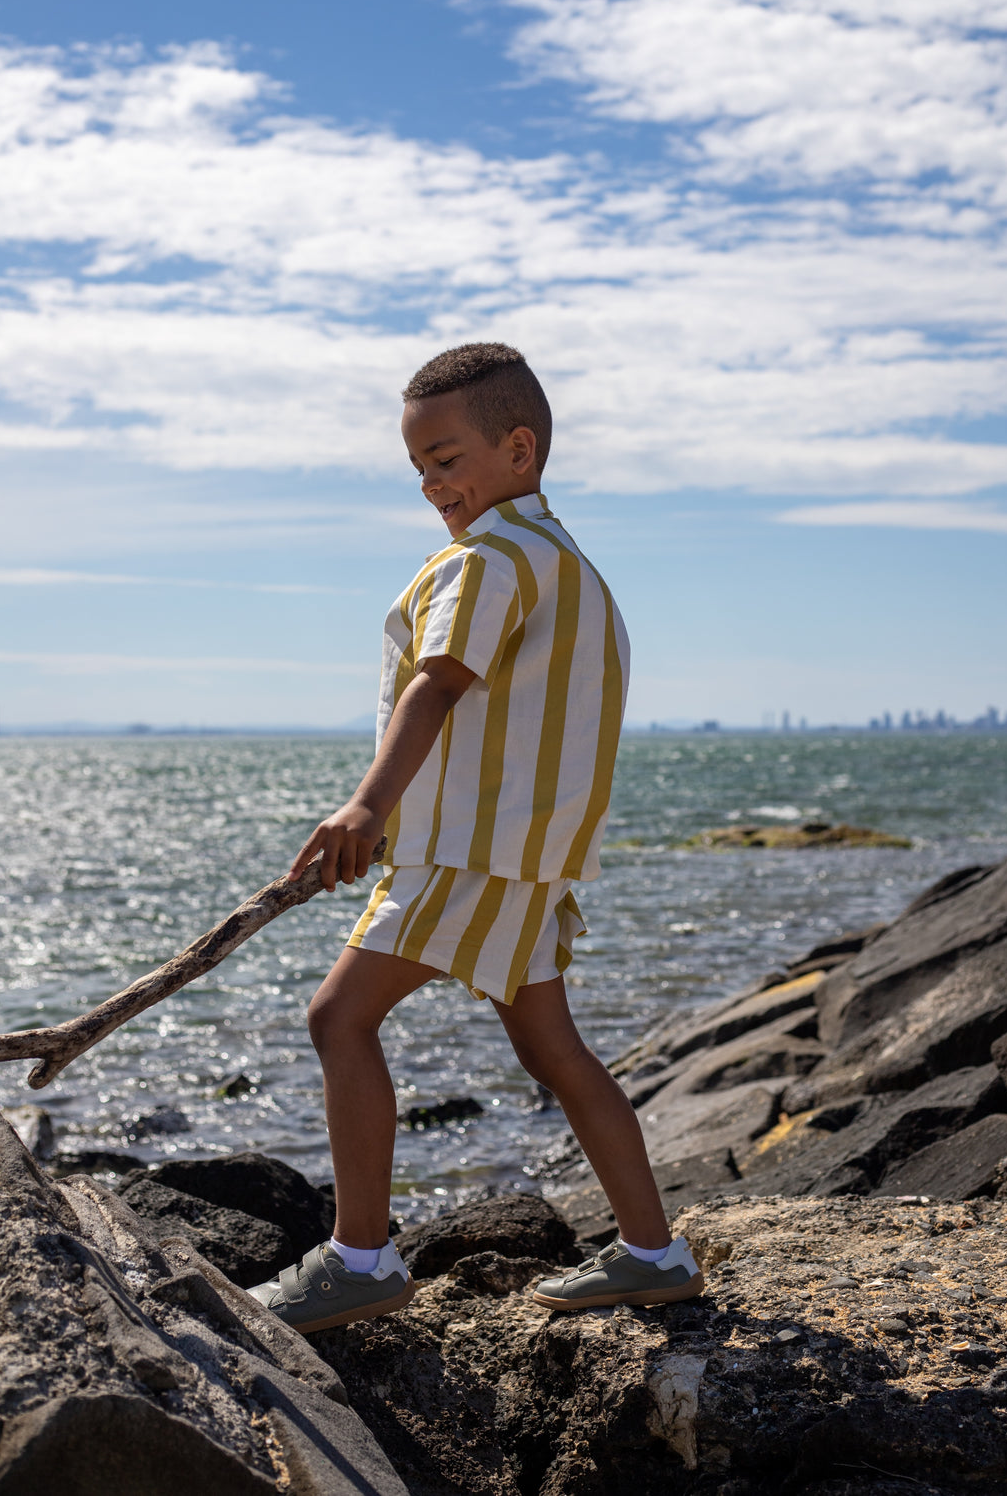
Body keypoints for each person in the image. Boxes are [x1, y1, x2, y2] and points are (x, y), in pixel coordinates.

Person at [248, 343, 702, 1332]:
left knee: (339, 1018)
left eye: (447, 461)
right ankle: (653, 1251)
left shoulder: (490, 563)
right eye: (419, 471)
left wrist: (366, 807)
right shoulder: (570, 567)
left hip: (473, 850)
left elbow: (439, 683)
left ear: (520, 449)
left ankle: (361, 1258)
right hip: (526, 853)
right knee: (555, 1050)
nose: (431, 486)